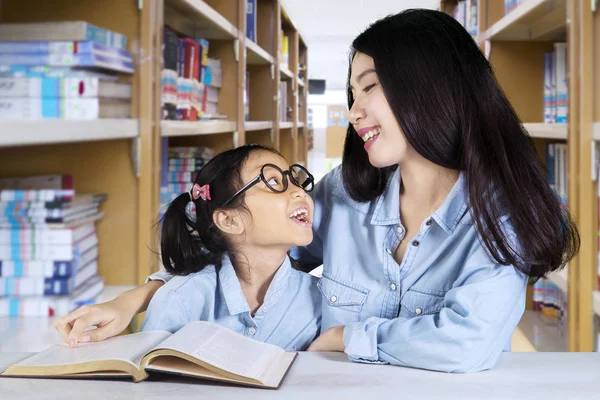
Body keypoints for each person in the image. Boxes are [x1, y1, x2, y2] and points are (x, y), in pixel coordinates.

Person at [55, 9, 579, 373]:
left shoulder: (499, 218)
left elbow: (468, 343)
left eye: (370, 87)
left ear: (432, 85)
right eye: (352, 94)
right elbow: (247, 255)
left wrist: (348, 340)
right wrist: (137, 297)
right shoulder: (347, 195)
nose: (354, 113)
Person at [58, 144, 321, 352]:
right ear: (229, 219)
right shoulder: (179, 301)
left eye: (296, 180)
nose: (299, 192)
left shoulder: (319, 302)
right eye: (273, 182)